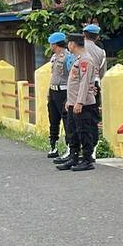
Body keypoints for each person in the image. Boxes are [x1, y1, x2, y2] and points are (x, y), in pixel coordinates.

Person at [57, 33, 100, 172]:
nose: (68, 45)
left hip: (84, 104)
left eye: (69, 43)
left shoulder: (86, 60)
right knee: (73, 132)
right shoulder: (78, 59)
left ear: (73, 44)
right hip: (73, 103)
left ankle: (87, 160)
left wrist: (79, 102)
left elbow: (84, 83)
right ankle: (73, 157)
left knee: (84, 132)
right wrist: (70, 101)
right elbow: (74, 84)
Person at [45, 32, 71, 158]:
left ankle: (69, 147)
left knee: (67, 121)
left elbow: (72, 78)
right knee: (53, 119)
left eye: (51, 44)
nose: (50, 46)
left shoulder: (68, 57)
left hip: (64, 92)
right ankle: (53, 146)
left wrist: (70, 97)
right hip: (53, 91)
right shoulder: (54, 57)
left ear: (55, 44)